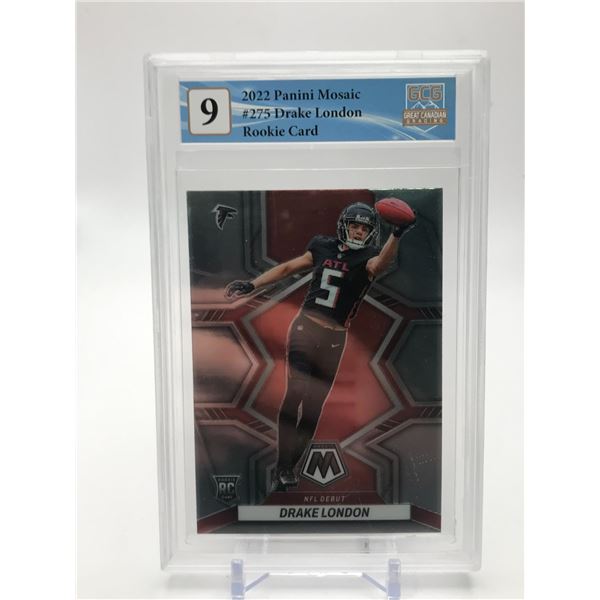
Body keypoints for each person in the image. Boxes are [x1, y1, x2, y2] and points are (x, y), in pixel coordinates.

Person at [225, 202, 415, 491]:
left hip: (334, 339)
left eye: (364, 228)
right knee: (296, 392)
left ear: (371, 233)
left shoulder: (369, 256)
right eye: (354, 225)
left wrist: (397, 233)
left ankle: (288, 468)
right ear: (344, 226)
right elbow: (288, 267)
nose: (358, 231)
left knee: (314, 406)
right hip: (306, 328)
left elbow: (380, 265)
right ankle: (282, 467)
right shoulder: (322, 246)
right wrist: (252, 285)